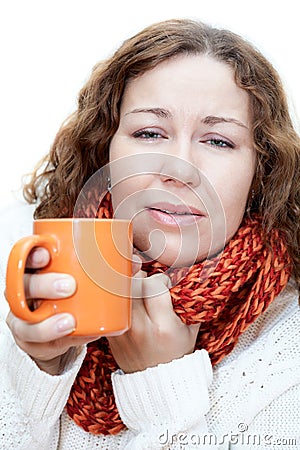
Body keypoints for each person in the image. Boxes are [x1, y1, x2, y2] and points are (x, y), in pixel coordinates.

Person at [0, 18, 299, 450]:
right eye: (150, 133)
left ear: (260, 173)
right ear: (105, 149)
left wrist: (163, 395)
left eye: (217, 141)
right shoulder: (34, 281)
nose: (179, 168)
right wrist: (37, 368)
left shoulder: (287, 358)